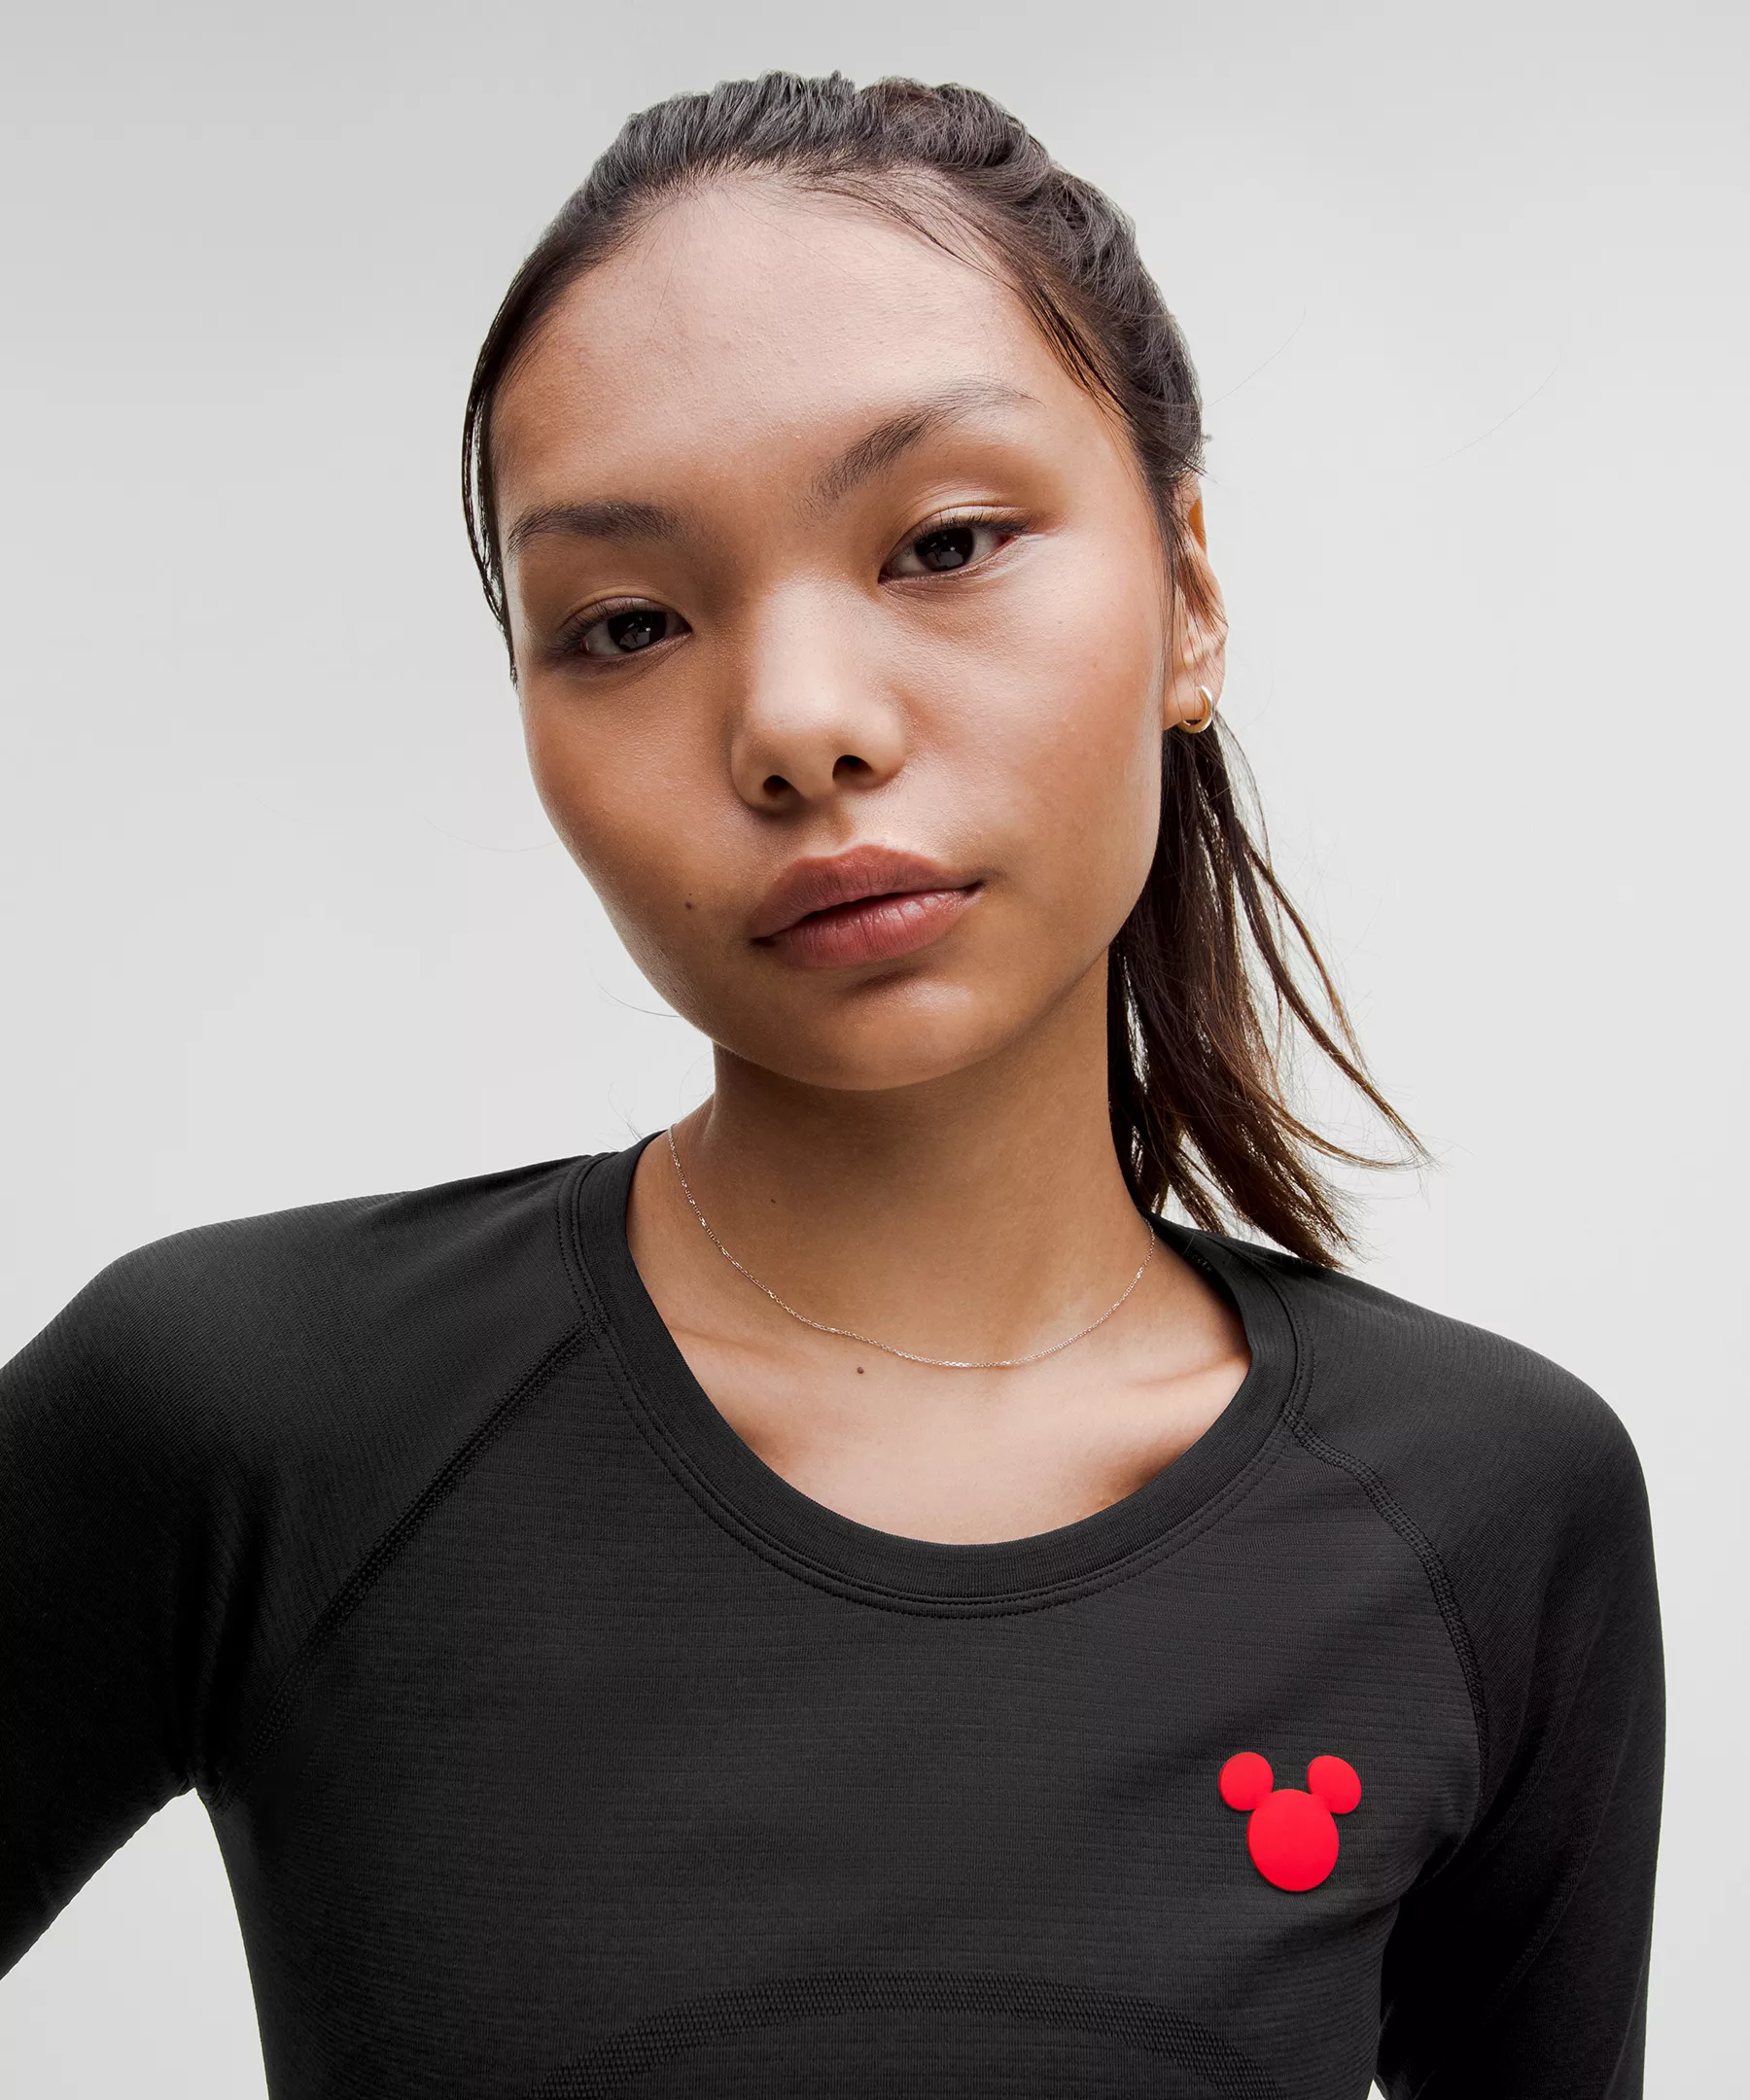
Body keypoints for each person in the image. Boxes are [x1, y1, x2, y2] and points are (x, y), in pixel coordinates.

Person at [0, 71, 1662, 2100]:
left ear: (1191, 594)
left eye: (945, 541)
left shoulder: (1486, 1508)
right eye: (626, 622)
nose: (798, 723)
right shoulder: (250, 1418)